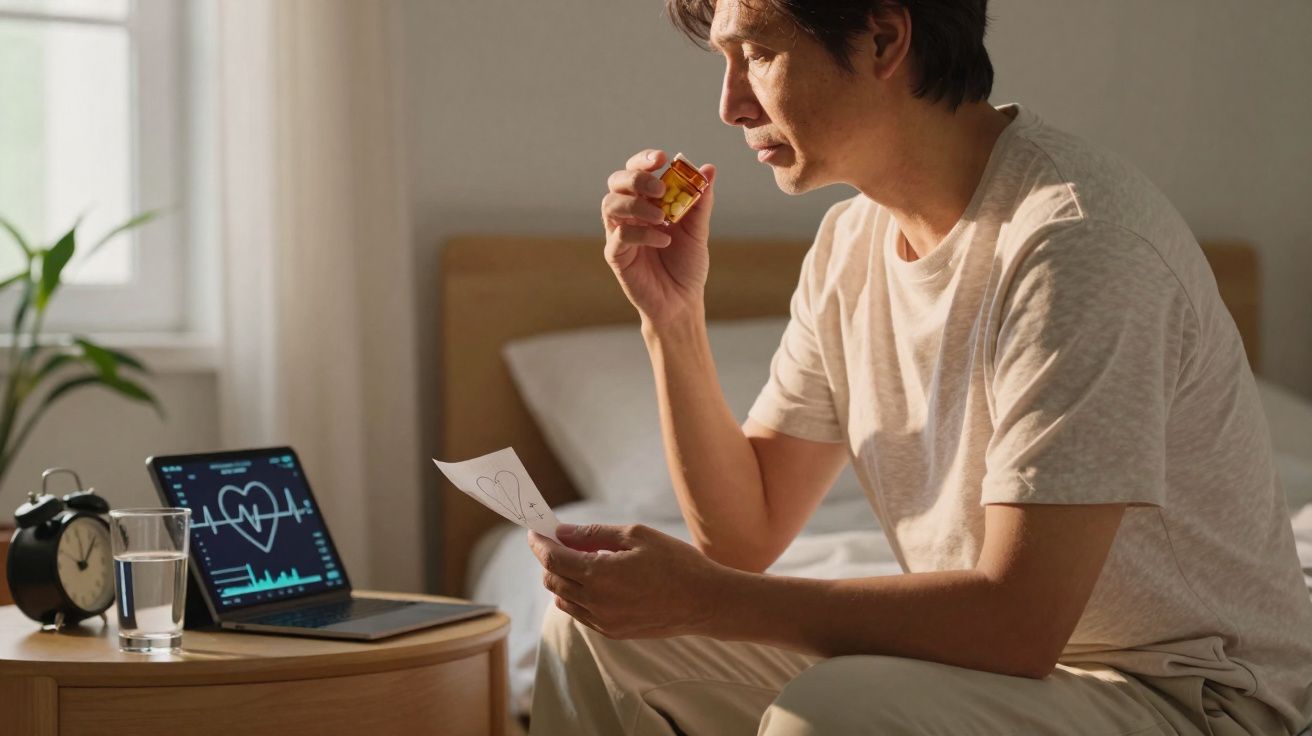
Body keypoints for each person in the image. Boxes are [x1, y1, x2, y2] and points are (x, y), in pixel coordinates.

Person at [525, 1, 1312, 733]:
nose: (731, 105)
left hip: (1191, 699)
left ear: (884, 38)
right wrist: (671, 317)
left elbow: (1017, 622)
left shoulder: (1077, 242)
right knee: (594, 634)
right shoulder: (848, 246)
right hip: (999, 672)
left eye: (758, 54)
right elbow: (742, 533)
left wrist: (707, 601)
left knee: (831, 713)